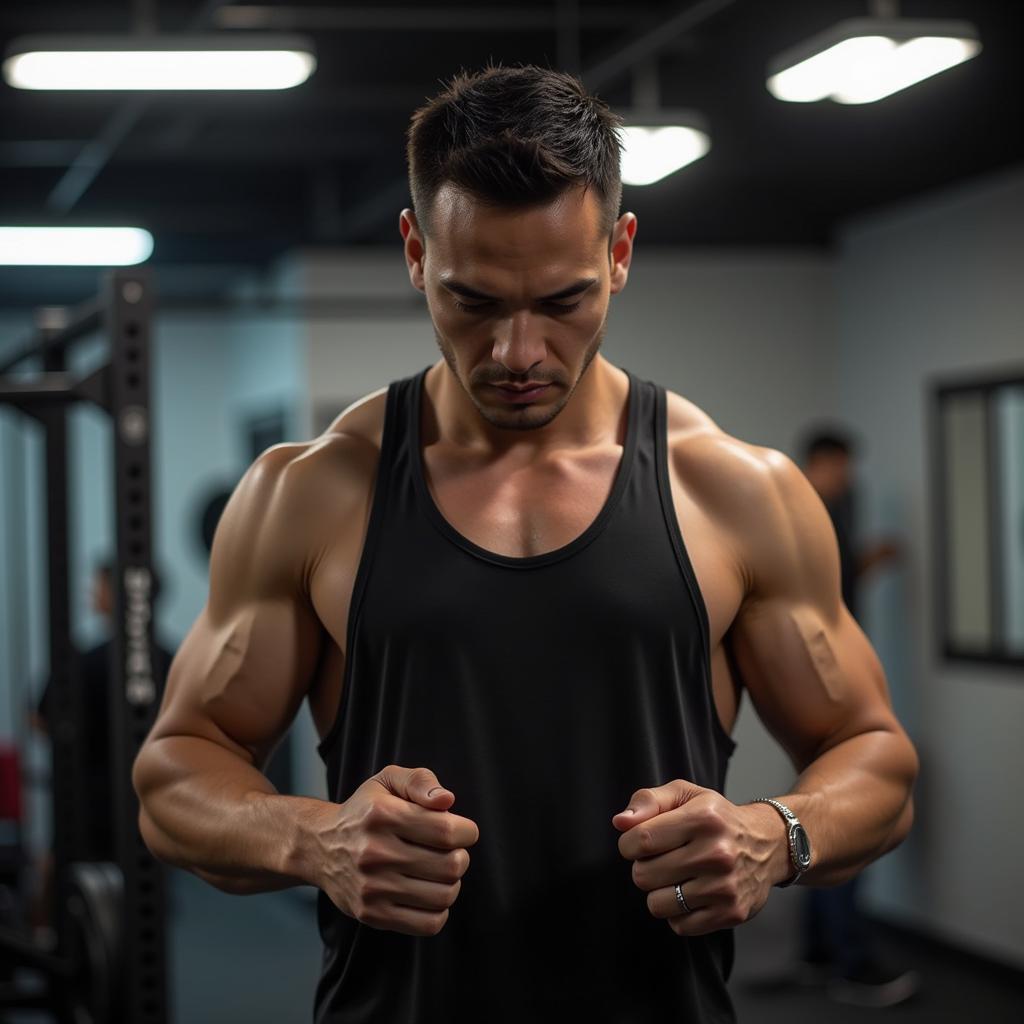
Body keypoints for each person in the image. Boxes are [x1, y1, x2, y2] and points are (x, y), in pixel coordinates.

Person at [131, 63, 920, 1024]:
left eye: (561, 300)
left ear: (620, 252)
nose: (517, 353)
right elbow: (175, 775)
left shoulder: (736, 491)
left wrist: (774, 833)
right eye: (474, 301)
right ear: (416, 251)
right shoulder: (306, 493)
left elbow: (874, 758)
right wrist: (315, 840)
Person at [796, 428, 921, 1008]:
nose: (845, 476)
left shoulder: (819, 507)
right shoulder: (806, 509)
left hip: (824, 681)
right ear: (823, 462)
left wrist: (867, 558)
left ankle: (820, 954)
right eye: (839, 465)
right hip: (828, 685)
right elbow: (814, 600)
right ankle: (847, 958)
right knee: (845, 815)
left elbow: (832, 588)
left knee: (818, 808)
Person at [29, 558, 173, 938]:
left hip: (89, 803)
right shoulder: (174, 660)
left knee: (68, 885)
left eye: (99, 587)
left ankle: (50, 939)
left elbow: (41, 721)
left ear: (117, 595)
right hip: (150, 803)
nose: (92, 595)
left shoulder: (84, 660)